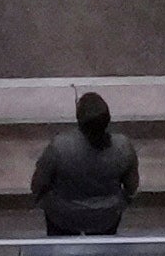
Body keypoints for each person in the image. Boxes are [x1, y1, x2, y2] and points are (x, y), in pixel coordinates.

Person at [31, 92, 141, 234]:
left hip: (63, 215)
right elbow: (131, 187)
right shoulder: (123, 147)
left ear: (79, 120)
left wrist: (43, 201)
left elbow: (39, 183)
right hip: (106, 217)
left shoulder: (60, 147)